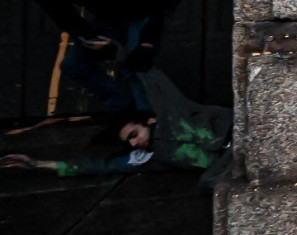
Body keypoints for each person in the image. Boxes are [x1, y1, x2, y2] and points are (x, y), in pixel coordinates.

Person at [0, 71, 229, 189]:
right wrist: (39, 164)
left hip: (238, 130)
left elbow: (148, 73)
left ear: (147, 122)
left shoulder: (172, 112)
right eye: (128, 142)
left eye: (133, 135)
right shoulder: (151, 156)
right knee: (209, 183)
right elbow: (101, 166)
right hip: (229, 159)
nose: (133, 142)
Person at [26, 0, 180, 112]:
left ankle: (146, 120)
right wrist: (90, 39)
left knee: (136, 61)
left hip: (145, 7)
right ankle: (124, 114)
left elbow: (153, 6)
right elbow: (65, 17)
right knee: (74, 65)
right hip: (109, 14)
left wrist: (147, 43)